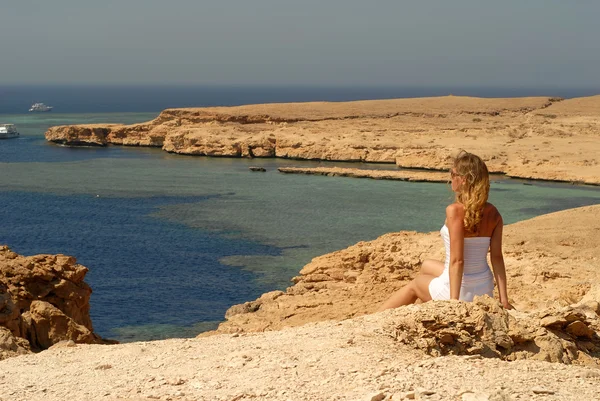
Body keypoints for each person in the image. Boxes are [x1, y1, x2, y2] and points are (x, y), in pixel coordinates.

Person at [379, 151, 512, 310]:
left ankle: (372, 320)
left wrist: (453, 303)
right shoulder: (494, 213)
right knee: (427, 265)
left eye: (452, 173)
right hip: (484, 288)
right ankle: (428, 308)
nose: (450, 178)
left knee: (415, 285)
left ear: (463, 179)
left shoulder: (454, 211)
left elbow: (458, 261)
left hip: (460, 290)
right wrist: (504, 299)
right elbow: (497, 257)